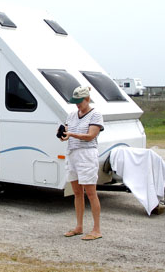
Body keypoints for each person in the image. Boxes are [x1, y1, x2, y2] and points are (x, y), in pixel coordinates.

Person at [60, 86, 104, 241]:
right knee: (77, 192)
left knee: (91, 192)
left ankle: (96, 229)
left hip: (86, 155)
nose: (77, 105)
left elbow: (90, 136)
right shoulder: (72, 115)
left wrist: (72, 134)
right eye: (75, 102)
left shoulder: (95, 115)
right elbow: (67, 130)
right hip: (72, 153)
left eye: (80, 101)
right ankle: (79, 226)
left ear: (87, 99)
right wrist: (64, 135)